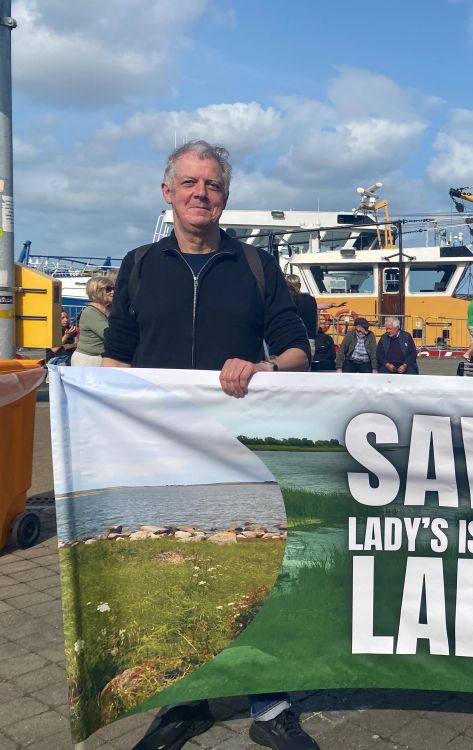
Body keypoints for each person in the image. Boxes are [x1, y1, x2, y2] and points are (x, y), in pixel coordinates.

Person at [102, 140, 315, 750]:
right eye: (190, 183)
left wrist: (262, 368)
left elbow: (299, 352)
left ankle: (270, 703)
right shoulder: (140, 264)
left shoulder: (254, 267)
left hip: (238, 451)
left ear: (226, 197)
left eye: (213, 185)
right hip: (160, 452)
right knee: (173, 572)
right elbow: (116, 357)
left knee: (254, 571)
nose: (202, 193)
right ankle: (184, 699)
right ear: (167, 193)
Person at [71, 275, 116, 367]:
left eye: (114, 288)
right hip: (88, 360)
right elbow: (109, 334)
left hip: (102, 358)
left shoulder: (109, 309)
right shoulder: (90, 312)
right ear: (97, 291)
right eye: (108, 289)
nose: (113, 292)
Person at [286, 274, 319, 357]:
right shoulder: (311, 300)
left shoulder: (286, 301)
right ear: (300, 285)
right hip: (309, 339)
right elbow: (317, 322)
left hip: (290, 339)